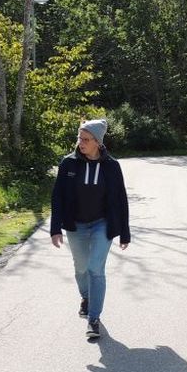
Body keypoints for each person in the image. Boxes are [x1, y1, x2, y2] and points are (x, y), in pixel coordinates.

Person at [50, 118, 131, 339]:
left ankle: (93, 318)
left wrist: (125, 232)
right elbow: (57, 197)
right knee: (81, 268)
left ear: (98, 142)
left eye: (86, 139)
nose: (80, 143)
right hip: (75, 225)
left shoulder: (111, 166)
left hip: (101, 224)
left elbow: (120, 200)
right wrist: (55, 228)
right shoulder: (68, 164)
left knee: (95, 269)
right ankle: (86, 297)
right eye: (79, 138)